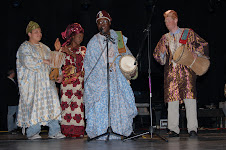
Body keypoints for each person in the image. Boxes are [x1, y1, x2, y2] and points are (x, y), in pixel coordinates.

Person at [153, 10, 209, 137]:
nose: (166, 23)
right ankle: (173, 129)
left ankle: (192, 128)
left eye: (169, 20)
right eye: (165, 21)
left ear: (175, 20)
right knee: (172, 101)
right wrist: (161, 53)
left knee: (190, 99)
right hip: (171, 74)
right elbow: (158, 56)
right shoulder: (164, 38)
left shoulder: (187, 33)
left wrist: (197, 53)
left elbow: (203, 44)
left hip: (187, 72)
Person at [84, 10, 138, 140]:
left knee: (120, 105)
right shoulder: (93, 42)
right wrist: (104, 69)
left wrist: (130, 67)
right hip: (100, 82)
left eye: (104, 22)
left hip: (117, 79)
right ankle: (101, 131)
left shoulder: (118, 37)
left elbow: (127, 56)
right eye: (99, 23)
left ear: (110, 22)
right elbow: (89, 64)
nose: (102, 24)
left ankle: (121, 131)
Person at [16, 21, 65, 140]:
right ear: (29, 34)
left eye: (40, 32)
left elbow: (54, 63)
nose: (39, 34)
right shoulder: (24, 47)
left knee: (52, 104)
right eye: (36, 32)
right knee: (34, 106)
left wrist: (59, 74)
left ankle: (54, 131)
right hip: (34, 85)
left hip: (47, 84)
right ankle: (33, 132)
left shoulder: (45, 48)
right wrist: (43, 61)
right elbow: (28, 62)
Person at [55, 23, 86, 138]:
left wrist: (72, 54)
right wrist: (58, 51)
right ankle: (66, 130)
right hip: (66, 85)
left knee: (77, 107)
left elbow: (83, 65)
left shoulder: (83, 50)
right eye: (78, 36)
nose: (81, 39)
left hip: (78, 84)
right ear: (72, 36)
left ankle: (78, 131)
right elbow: (57, 65)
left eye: (82, 36)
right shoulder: (63, 49)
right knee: (66, 107)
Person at [3, 68, 20, 134]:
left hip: (15, 101)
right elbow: (9, 92)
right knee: (10, 114)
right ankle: (10, 128)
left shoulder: (13, 81)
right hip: (11, 101)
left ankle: (15, 127)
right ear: (11, 73)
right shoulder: (7, 81)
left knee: (17, 114)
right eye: (13, 73)